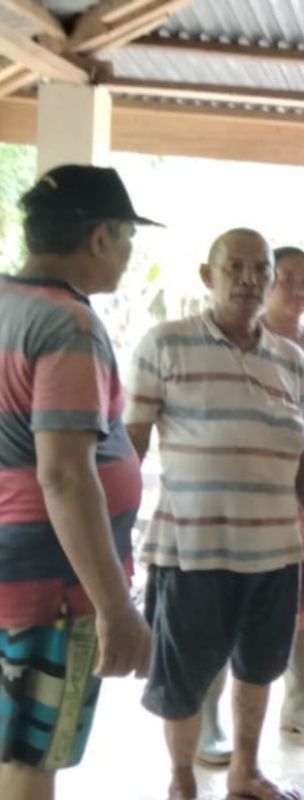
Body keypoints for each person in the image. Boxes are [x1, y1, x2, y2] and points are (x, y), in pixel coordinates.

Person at [125, 228, 304, 800]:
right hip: (190, 549)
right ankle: (181, 779)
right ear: (207, 275)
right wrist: (117, 539)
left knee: (260, 666)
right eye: (235, 268)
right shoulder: (164, 344)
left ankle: (245, 771)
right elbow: (130, 450)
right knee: (183, 674)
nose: (249, 280)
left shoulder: (291, 360)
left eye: (260, 270)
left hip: (275, 550)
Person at [0, 165, 154, 800]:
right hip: (53, 586)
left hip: (16, 564)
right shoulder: (68, 325)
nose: (126, 256)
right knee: (34, 757)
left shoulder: (10, 303)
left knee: (14, 745)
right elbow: (65, 475)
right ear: (99, 239)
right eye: (127, 240)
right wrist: (117, 608)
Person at [196, 246, 304, 761]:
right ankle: (208, 720)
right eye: (287, 277)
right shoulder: (240, 345)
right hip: (250, 506)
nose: (300, 288)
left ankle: (300, 706)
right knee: (229, 612)